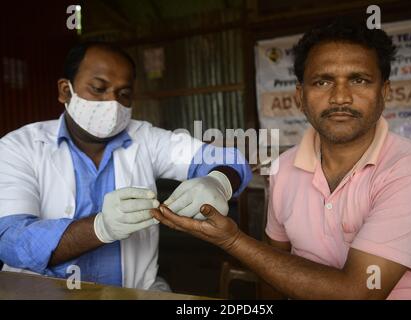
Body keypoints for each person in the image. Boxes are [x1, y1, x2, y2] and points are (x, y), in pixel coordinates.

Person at [152, 19, 411, 299]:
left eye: (358, 80)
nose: (341, 97)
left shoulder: (409, 168)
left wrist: (233, 240)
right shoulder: (285, 168)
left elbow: (359, 292)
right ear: (300, 97)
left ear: (384, 92)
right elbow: (274, 265)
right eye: (322, 82)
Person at [0, 42, 252, 290]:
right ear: (66, 91)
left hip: (133, 291)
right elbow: (10, 239)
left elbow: (229, 159)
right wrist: (100, 228)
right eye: (99, 88)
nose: (112, 102)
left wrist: (218, 180)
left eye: (124, 94)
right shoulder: (19, 147)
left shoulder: (145, 138)